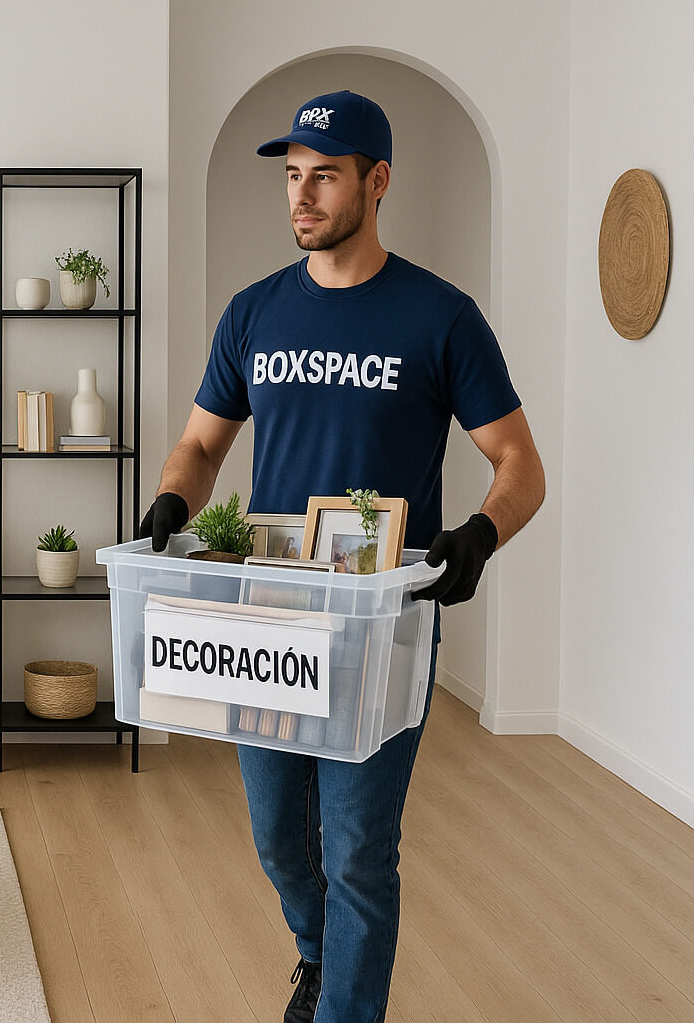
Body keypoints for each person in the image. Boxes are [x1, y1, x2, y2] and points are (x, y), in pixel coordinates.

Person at [139, 90, 546, 1023]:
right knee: (281, 837)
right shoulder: (254, 314)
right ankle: (318, 953)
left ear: (377, 180)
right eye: (291, 175)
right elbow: (202, 447)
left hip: (381, 624)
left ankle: (346, 1010)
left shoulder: (440, 317)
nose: (302, 195)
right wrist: (173, 497)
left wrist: (480, 533)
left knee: (360, 844)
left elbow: (518, 462)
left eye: (324, 174)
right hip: (270, 616)